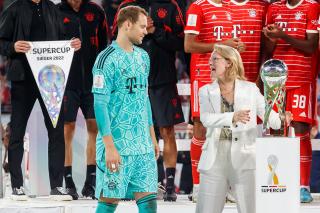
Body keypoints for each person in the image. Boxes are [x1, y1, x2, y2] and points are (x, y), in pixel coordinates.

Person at [196, 44, 292, 213]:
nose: (210, 62)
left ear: (229, 63)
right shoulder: (205, 91)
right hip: (214, 158)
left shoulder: (250, 89)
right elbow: (206, 119)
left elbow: (269, 117)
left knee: (250, 210)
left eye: (215, 59)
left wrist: (282, 118)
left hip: (245, 157)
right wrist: (232, 117)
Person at [0, 0, 81, 201]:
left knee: (56, 131)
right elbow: (1, 42)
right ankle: (17, 186)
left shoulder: (53, 9)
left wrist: (72, 45)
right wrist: (12, 46)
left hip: (50, 81)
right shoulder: (14, 9)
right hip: (22, 79)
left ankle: (56, 186)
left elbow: (62, 41)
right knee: (17, 130)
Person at [92, 6, 159, 213]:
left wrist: (152, 136)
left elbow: (144, 98)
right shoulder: (106, 59)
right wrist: (109, 147)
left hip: (143, 146)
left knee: (149, 201)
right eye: (141, 26)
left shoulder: (143, 57)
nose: (145, 31)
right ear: (127, 24)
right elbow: (99, 104)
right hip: (117, 145)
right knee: (109, 201)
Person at [184, 0, 245, 202]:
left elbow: (227, 46)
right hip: (203, 76)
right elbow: (189, 45)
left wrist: (235, 49)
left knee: (226, 130)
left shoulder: (229, 8)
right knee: (201, 128)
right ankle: (198, 186)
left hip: (225, 78)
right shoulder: (197, 7)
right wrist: (221, 46)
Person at [263, 0, 319, 203]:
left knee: (300, 129)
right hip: (276, 80)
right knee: (277, 129)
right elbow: (269, 49)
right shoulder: (274, 8)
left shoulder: (311, 6)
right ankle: (279, 183)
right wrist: (270, 37)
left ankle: (303, 186)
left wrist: (283, 35)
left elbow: (311, 46)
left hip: (302, 78)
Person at [58, 0, 109, 200]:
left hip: (92, 83)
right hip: (66, 83)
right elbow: (49, 44)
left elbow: (105, 46)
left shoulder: (96, 11)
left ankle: (91, 181)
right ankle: (68, 181)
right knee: (66, 130)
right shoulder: (56, 11)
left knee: (94, 129)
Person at [145, 0, 185, 201]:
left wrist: (156, 31)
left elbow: (182, 43)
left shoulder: (170, 6)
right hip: (136, 82)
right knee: (141, 135)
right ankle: (148, 183)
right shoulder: (128, 5)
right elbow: (117, 40)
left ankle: (169, 185)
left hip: (163, 80)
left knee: (167, 131)